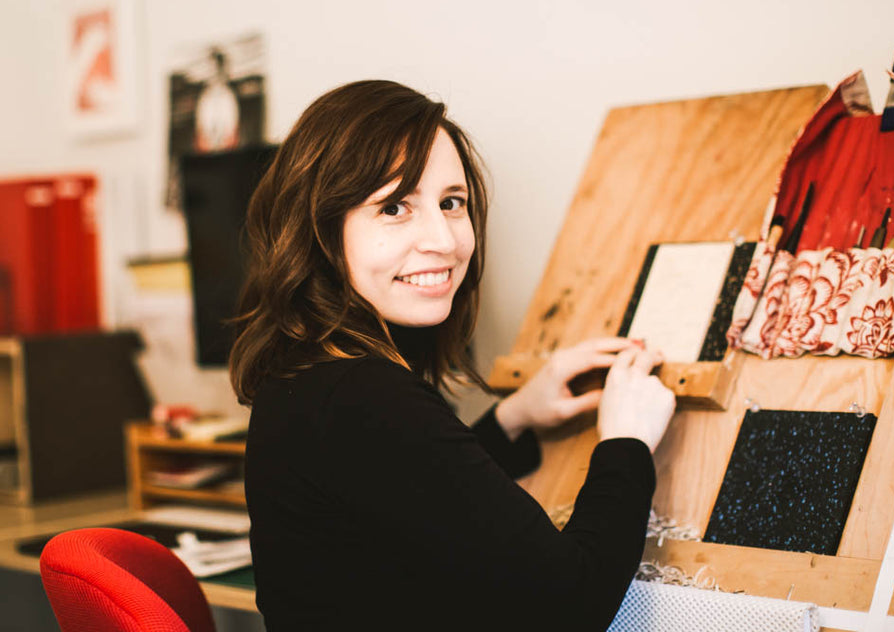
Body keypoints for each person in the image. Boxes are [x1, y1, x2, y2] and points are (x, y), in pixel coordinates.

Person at [230, 80, 676, 631]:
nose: (442, 239)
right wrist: (627, 444)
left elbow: (424, 496)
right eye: (394, 207)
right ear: (320, 229)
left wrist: (515, 418)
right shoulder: (367, 399)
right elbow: (572, 603)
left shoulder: (313, 378)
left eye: (451, 203)